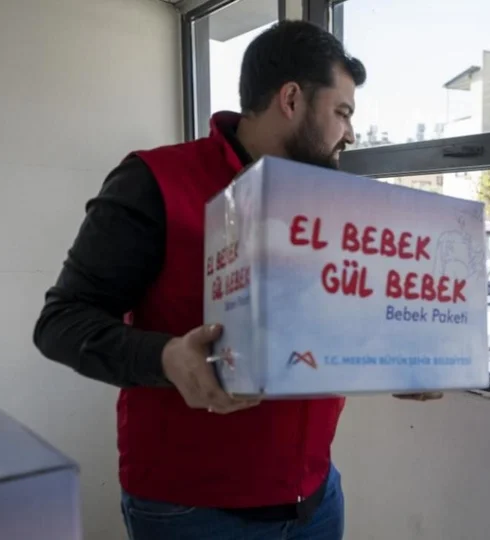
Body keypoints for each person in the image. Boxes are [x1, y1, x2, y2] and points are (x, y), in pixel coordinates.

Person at [32, 21, 438, 540]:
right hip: (192, 512)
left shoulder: (331, 204)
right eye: (342, 112)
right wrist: (166, 358)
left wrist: (400, 361)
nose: (351, 133)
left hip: (316, 498)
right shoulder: (153, 182)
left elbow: (333, 327)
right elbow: (61, 321)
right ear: (291, 99)